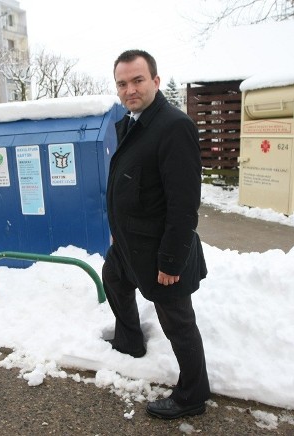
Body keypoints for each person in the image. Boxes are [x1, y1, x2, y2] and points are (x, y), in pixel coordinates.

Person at [102, 49, 211, 419]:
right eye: (122, 83)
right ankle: (130, 340)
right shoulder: (132, 121)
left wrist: (171, 260)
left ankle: (192, 395)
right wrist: (118, 232)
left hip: (160, 251)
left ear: (156, 81)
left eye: (137, 80)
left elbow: (183, 206)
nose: (130, 89)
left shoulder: (172, 126)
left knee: (178, 322)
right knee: (113, 279)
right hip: (130, 244)